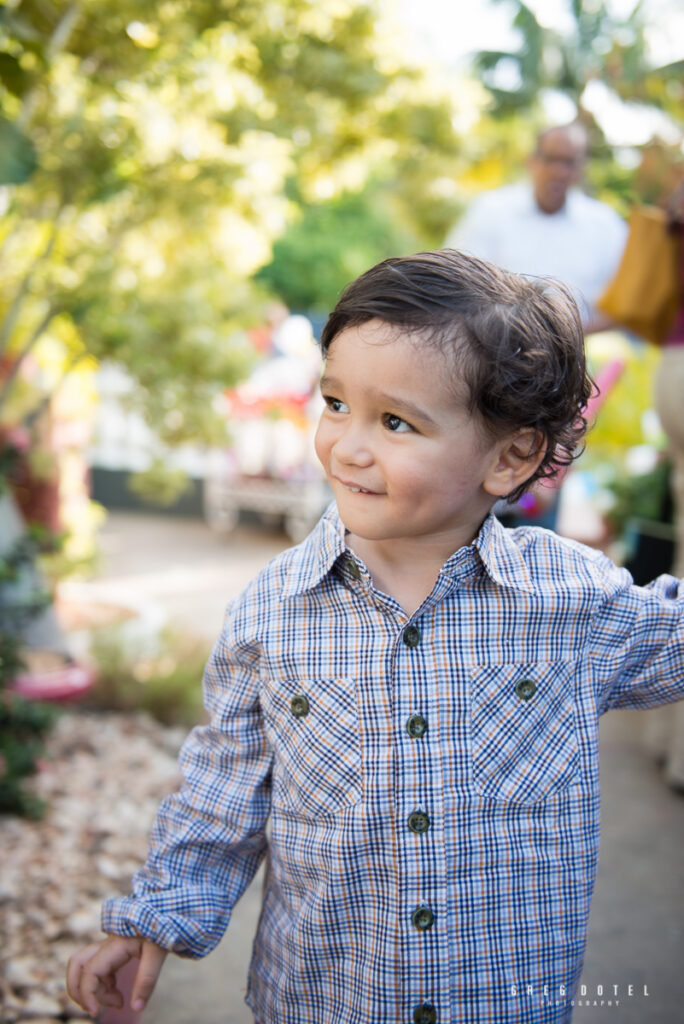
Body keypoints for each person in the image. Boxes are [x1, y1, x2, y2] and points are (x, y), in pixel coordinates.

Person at [67, 250, 684, 1024]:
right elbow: (221, 794)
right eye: (334, 403)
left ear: (512, 455)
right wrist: (153, 924)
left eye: (395, 422)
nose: (348, 447)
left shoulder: (570, 603)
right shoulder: (272, 613)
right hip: (324, 1002)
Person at [445, 122, 628, 333]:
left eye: (569, 163)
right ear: (532, 160)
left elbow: (628, 302)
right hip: (493, 344)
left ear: (581, 168)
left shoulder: (606, 225)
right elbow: (455, 279)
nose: (559, 172)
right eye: (551, 159)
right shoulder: (491, 210)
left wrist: (569, 340)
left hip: (575, 351)